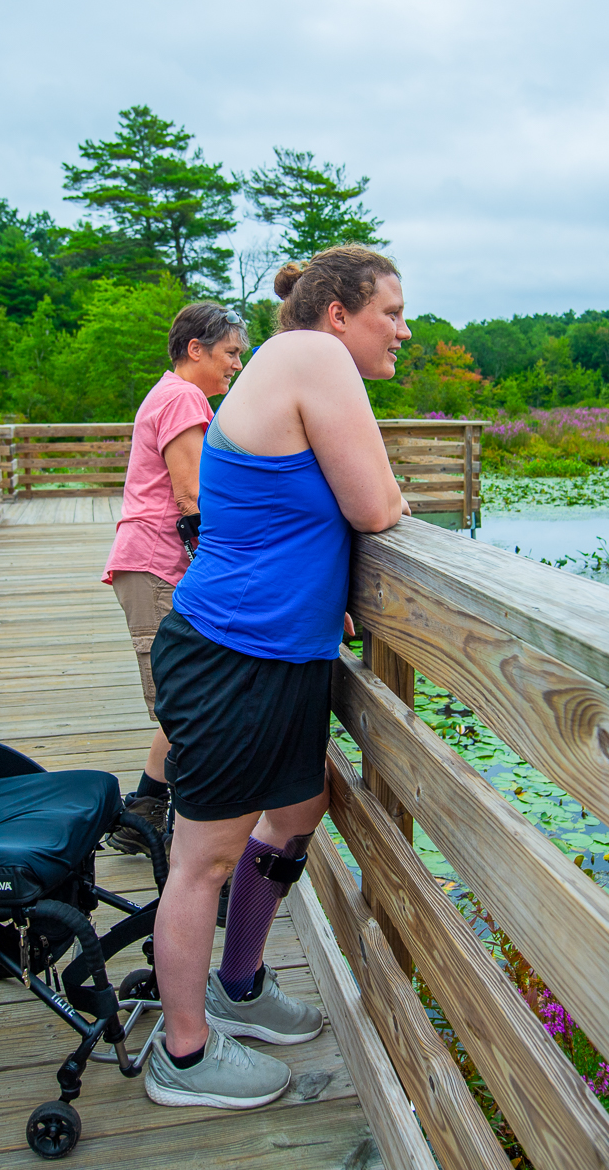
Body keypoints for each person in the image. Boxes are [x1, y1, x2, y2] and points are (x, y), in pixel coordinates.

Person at [142, 245, 411, 1110]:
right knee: (204, 856)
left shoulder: (292, 364)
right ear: (339, 315)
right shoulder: (309, 355)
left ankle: (241, 985)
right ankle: (181, 1056)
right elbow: (375, 505)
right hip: (229, 653)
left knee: (296, 816)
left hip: (284, 654)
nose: (403, 331)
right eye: (391, 314)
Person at [102, 302, 249, 856]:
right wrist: (225, 570)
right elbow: (191, 498)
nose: (237, 364)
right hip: (158, 564)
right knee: (187, 705)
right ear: (196, 349)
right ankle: (187, 848)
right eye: (230, 353)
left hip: (152, 563)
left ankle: (140, 818)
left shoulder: (168, 393)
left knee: (184, 698)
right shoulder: (184, 397)